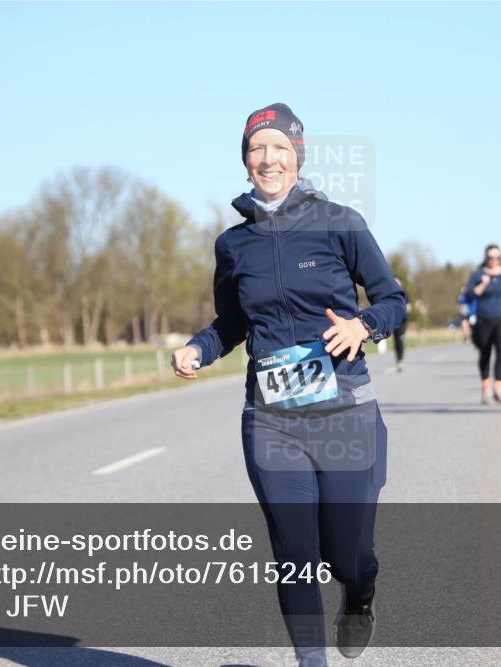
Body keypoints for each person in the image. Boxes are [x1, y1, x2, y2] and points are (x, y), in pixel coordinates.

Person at [171, 103, 406, 667]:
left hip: (346, 410)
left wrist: (362, 324)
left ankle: (361, 593)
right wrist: (198, 348)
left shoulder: (341, 223)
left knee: (349, 555)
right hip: (272, 419)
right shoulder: (234, 246)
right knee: (295, 552)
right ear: (246, 161)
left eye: (279, 147)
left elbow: (394, 302)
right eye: (257, 149)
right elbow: (230, 322)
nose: (268, 158)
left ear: (298, 155)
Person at [465, 244, 501, 404]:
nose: (493, 260)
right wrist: (483, 284)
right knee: (485, 353)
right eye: (490, 257)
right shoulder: (478, 274)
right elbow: (469, 295)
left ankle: (498, 390)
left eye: (497, 257)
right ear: (485, 258)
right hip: (483, 319)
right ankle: (486, 389)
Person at [392, 276, 409, 372]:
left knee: (400, 339)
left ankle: (401, 360)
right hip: (394, 321)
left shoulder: (404, 293)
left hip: (402, 320)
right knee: (396, 340)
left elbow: (408, 306)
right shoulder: (390, 293)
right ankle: (398, 360)